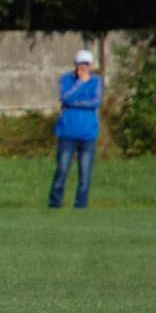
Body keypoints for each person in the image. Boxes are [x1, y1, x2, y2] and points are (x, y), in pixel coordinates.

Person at [48, 49, 103, 209]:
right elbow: (65, 97)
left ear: (91, 65)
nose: (84, 67)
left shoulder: (96, 81)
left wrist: (76, 102)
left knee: (85, 173)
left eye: (87, 64)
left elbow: (95, 102)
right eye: (81, 64)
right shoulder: (67, 79)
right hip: (68, 132)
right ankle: (55, 203)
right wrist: (81, 83)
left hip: (88, 134)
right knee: (62, 169)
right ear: (76, 65)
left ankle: (81, 205)